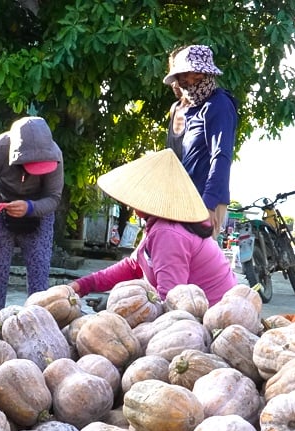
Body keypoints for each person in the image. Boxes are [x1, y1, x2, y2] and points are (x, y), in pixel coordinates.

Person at [68, 148, 236, 305]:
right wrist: (83, 285)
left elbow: (170, 303)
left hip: (212, 319)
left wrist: (120, 306)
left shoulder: (168, 234)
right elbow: (133, 266)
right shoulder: (161, 225)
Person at [0, 116, 63, 316]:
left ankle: (37, 320)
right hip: (2, 209)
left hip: (39, 211)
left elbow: (53, 198)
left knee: (39, 274)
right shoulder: (0, 147)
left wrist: (30, 207)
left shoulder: (55, 156)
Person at [164, 44, 239, 239]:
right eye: (181, 77)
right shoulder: (188, 109)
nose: (184, 82)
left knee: (198, 265)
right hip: (181, 200)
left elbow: (221, 156)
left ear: (205, 74)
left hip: (205, 202)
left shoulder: (218, 105)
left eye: (191, 76)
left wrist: (209, 204)